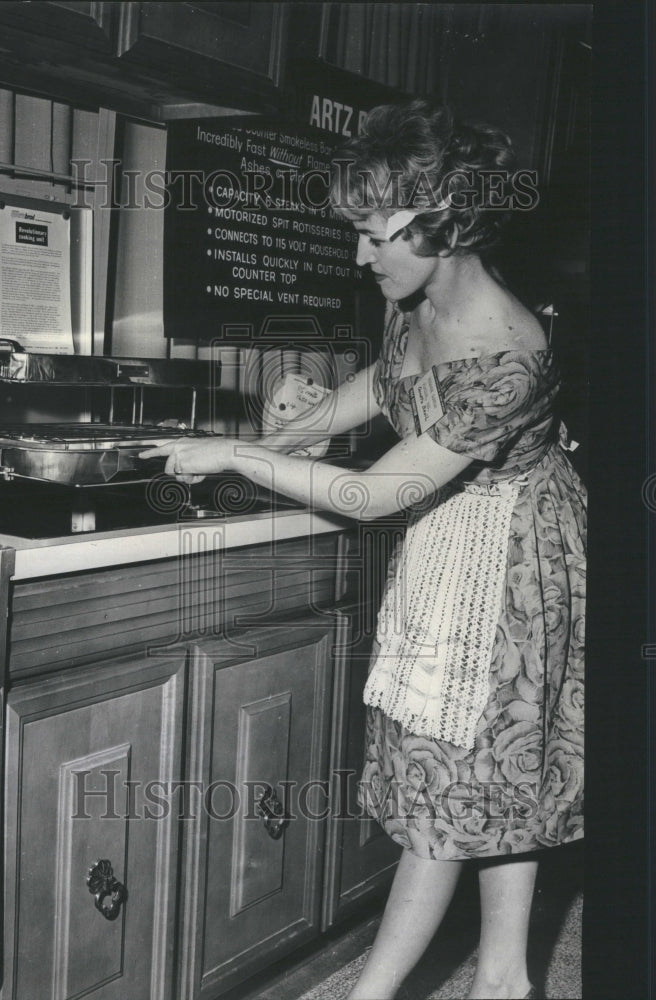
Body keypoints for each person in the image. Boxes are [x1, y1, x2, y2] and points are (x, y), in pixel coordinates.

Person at [140, 99, 585, 1000]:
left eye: (375, 236)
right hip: (447, 547)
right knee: (472, 779)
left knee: (452, 780)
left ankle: (370, 993)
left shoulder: (511, 352)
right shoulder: (415, 297)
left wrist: (242, 455)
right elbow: (381, 388)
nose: (359, 256)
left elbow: (380, 491)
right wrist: (303, 422)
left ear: (444, 223)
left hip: (510, 568)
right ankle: (505, 978)